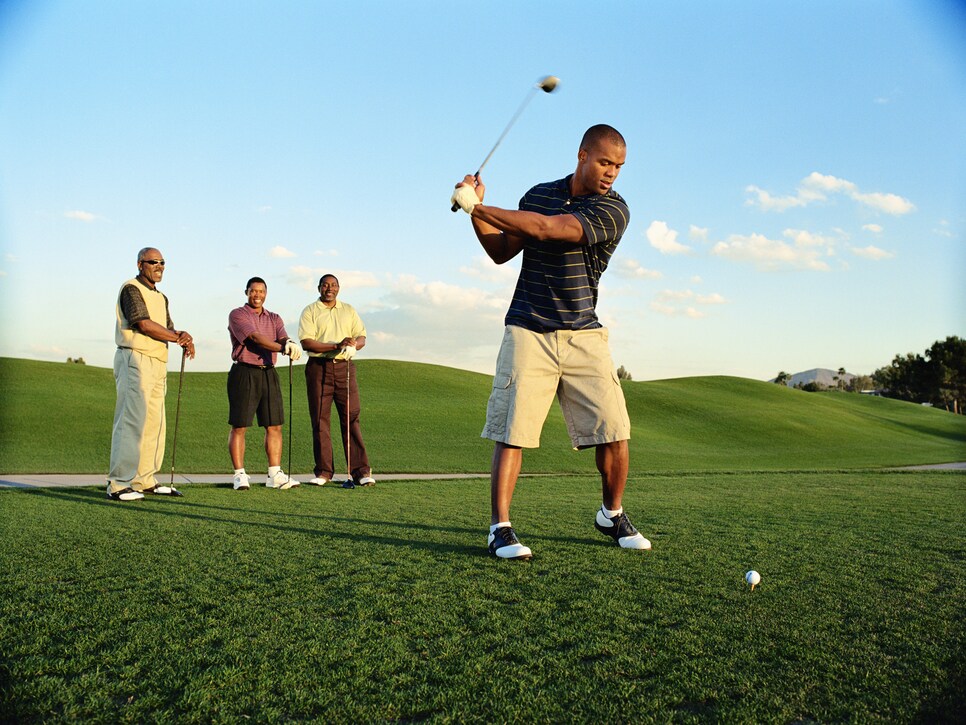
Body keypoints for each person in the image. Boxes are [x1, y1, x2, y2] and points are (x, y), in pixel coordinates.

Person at [451, 124, 651, 560]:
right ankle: (500, 530)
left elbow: (548, 229)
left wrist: (480, 205)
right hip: (527, 328)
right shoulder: (538, 193)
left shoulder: (613, 209)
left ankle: (611, 515)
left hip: (584, 332)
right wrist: (475, 213)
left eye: (618, 166)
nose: (611, 173)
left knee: (614, 431)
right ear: (582, 154)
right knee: (512, 432)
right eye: (604, 162)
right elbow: (502, 251)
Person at [107, 247, 195, 501]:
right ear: (140, 264)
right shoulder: (131, 288)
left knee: (155, 422)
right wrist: (178, 337)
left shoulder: (162, 297)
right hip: (135, 357)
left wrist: (182, 336)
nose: (159, 266)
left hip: (157, 360)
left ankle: (144, 479)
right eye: (153, 262)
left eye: (162, 262)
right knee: (132, 420)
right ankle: (118, 483)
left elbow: (167, 328)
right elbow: (143, 323)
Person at [298, 274, 375, 488]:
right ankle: (324, 472)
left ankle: (360, 471)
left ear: (338, 288)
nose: (329, 289)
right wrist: (336, 345)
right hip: (319, 368)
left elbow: (361, 337)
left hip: (344, 368)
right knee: (320, 420)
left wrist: (353, 346)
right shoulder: (310, 311)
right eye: (325, 285)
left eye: (333, 285)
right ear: (319, 288)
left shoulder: (348, 310)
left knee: (351, 417)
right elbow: (307, 343)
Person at [227, 277, 303, 491]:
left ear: (266, 293)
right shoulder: (238, 314)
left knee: (274, 425)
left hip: (268, 372)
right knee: (240, 425)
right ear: (246, 292)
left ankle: (274, 474)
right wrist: (282, 348)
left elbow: (282, 337)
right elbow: (255, 339)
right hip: (244, 371)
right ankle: (239, 474)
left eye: (261, 291)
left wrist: (288, 343)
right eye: (253, 291)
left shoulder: (275, 317)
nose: (257, 295)